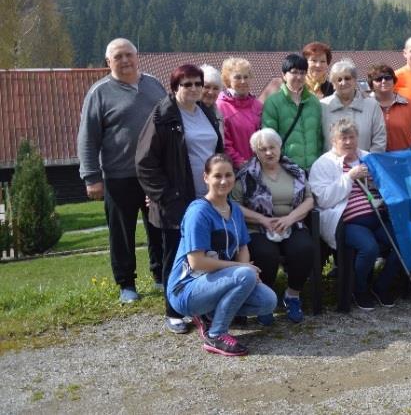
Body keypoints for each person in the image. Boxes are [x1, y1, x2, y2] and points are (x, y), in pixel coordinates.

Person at [77, 38, 166, 303]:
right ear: (108, 62)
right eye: (118, 57)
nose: (125, 60)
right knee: (122, 233)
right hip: (118, 176)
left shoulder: (154, 84)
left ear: (137, 56)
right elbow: (87, 138)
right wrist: (91, 177)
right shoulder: (99, 92)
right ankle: (126, 284)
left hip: (153, 173)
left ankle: (161, 276)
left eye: (129, 55)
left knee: (158, 227)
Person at [136, 64, 223, 334]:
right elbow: (145, 163)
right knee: (176, 257)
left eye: (198, 83)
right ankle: (173, 311)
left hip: (207, 199)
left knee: (206, 255)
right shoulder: (163, 116)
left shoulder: (206, 112)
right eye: (187, 84)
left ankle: (203, 307)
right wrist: (167, 197)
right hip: (176, 203)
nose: (195, 89)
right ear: (175, 87)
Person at [167, 153, 277, 357]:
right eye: (217, 176)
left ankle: (209, 314)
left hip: (215, 283)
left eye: (228, 175)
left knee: (268, 301)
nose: (224, 181)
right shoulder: (198, 212)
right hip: (187, 289)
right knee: (245, 274)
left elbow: (243, 247)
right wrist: (243, 270)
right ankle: (216, 334)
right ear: (206, 178)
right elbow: (196, 261)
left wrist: (249, 274)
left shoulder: (234, 209)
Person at [309, 119, 400, 310]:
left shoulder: (367, 157)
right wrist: (349, 177)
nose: (349, 142)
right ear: (334, 140)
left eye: (352, 137)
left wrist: (375, 181)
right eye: (343, 138)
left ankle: (381, 286)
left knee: (403, 243)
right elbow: (324, 199)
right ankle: (359, 289)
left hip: (378, 216)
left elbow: (387, 187)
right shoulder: (323, 163)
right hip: (348, 221)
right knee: (370, 248)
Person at [233, 128, 315, 324]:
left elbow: (310, 200)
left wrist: (290, 218)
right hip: (258, 226)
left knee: (304, 248)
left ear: (280, 147)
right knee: (265, 253)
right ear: (256, 151)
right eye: (262, 149)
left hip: (291, 224)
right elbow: (234, 205)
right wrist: (262, 220)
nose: (268, 153)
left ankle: (292, 295)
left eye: (272, 147)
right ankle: (265, 300)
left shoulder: (294, 170)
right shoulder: (246, 175)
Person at [262, 54, 324, 171]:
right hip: (286, 168)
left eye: (302, 73)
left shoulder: (314, 102)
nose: (299, 77)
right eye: (294, 72)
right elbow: (269, 138)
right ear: (284, 75)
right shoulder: (273, 102)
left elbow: (319, 137)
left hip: (313, 169)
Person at [322, 59, 387, 153]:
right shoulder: (323, 106)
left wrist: (368, 163)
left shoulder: (372, 105)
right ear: (333, 84)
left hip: (365, 165)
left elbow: (379, 140)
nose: (343, 83)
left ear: (355, 80)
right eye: (339, 79)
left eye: (347, 78)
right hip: (331, 166)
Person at [216, 57, 262, 167]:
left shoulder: (258, 105)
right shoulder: (220, 105)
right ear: (228, 80)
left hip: (259, 167)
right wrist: (240, 162)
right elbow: (224, 142)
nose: (243, 81)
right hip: (234, 169)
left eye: (246, 77)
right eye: (237, 77)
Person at [367, 63, 411, 151]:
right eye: (378, 79)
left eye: (387, 77)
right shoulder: (365, 106)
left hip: (405, 159)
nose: (383, 81)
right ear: (371, 84)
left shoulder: (409, 105)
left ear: (393, 80)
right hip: (374, 160)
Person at [199, 63, 224, 132]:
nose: (211, 92)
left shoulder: (218, 114)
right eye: (207, 87)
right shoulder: (190, 112)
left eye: (215, 88)